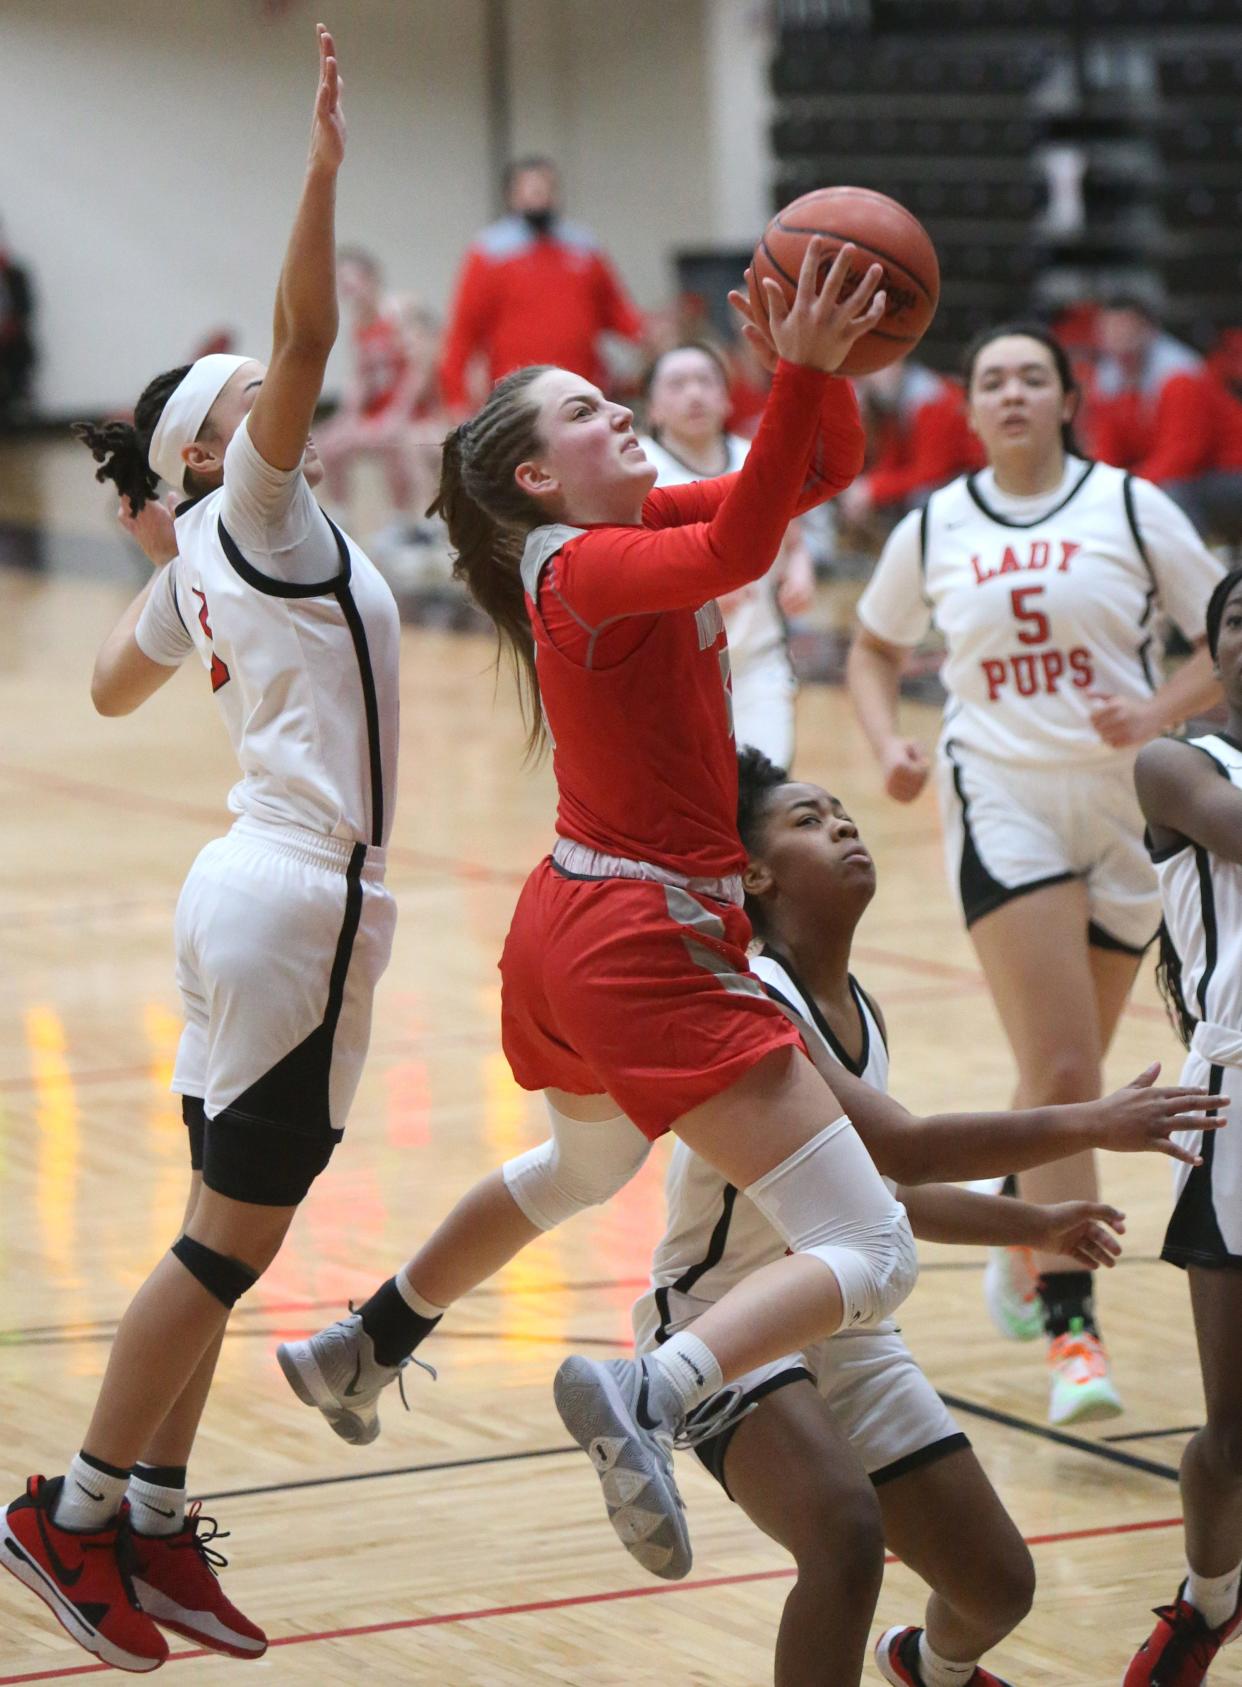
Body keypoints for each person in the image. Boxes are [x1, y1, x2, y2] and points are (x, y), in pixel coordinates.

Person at [274, 262, 1220, 1669]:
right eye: (591, 409)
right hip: (636, 931)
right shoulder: (581, 564)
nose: (622, 412)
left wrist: (810, 361)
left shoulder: (620, 520)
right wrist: (794, 374)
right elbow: (742, 547)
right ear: (537, 473)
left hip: (575, 916)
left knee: (580, 1173)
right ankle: (653, 1385)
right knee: (869, 1240)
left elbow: (803, 484)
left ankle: (377, 1329)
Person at [0, 29, 400, 1673]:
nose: (270, 393)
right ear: (208, 452)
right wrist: (316, 171)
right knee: (226, 1237)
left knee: (230, 1227)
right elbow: (305, 326)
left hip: (254, 892)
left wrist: (155, 561)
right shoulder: (266, 512)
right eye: (239, 403)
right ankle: (70, 1511)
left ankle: (154, 1515)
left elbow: (102, 685)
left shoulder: (213, 554)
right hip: (292, 895)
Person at [635, 748, 1129, 1687]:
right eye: (810, 820)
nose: (844, 826)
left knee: (997, 1585)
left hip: (846, 1331)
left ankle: (927, 1669)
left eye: (844, 813)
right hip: (729, 1321)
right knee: (844, 1534)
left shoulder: (860, 1008)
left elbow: (885, 1195)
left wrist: (1037, 1224)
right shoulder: (754, 1000)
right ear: (755, 873)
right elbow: (908, 1147)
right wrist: (1093, 1121)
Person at [847, 320, 1224, 1427]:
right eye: (992, 380)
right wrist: (886, 747)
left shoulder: (1129, 506)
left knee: (1069, 1068)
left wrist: (1160, 709)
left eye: (1032, 378)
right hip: (999, 792)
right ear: (968, 408)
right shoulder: (937, 522)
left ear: (1069, 399)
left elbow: (1224, 636)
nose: (1011, 394)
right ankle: (1073, 1334)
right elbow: (872, 649)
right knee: (1063, 1068)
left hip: (1128, 805)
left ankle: (1017, 1212)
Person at [1127, 566, 1242, 1683]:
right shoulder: (1180, 763)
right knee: (1235, 1428)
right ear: (1213, 651)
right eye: (1240, 618)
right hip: (1238, 1104)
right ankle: (1209, 1603)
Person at [638, 340, 814, 766]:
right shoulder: (638, 470)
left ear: (725, 397)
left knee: (765, 799)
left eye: (705, 381)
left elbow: (793, 537)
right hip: (671, 676)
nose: (694, 393)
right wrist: (699, 590)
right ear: (653, 408)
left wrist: (800, 569)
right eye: (677, 384)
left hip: (756, 663)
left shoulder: (755, 458)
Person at [438, 156, 644, 418]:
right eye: (530, 190)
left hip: (584, 387)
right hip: (517, 395)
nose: (539, 197)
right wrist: (456, 400)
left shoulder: (584, 247)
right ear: (511, 196)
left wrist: (652, 337)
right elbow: (463, 332)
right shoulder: (489, 253)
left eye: (545, 189)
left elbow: (618, 313)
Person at [1089, 297, 1242, 539]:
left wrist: (1127, 487)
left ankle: (1191, 565)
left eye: (1126, 327)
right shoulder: (1108, 379)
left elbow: (1183, 457)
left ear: (1148, 330)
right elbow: (1108, 451)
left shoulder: (1180, 375)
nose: (1118, 337)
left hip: (1229, 473)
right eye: (1109, 329)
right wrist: (1096, 488)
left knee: (1170, 494)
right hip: (1187, 475)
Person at [314, 247, 434, 549]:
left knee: (394, 441)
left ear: (370, 278)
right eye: (341, 280)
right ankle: (339, 520)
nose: (347, 287)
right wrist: (347, 415)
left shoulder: (397, 311)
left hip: (412, 410)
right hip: (378, 411)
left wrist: (397, 413)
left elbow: (419, 368)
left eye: (351, 279)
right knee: (327, 443)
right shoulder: (358, 323)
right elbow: (361, 378)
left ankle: (407, 522)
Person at [834, 358, 982, 545]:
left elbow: (931, 471)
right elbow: (892, 459)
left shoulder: (931, 398)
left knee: (921, 500)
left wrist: (872, 489)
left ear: (897, 362)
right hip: (944, 480)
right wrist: (863, 486)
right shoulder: (894, 399)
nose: (867, 380)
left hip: (968, 480)